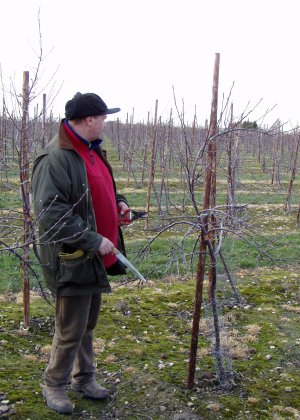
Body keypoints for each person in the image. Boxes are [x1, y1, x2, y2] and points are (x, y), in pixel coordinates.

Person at [31, 92, 129, 414]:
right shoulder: (56, 158)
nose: (105, 123)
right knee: (71, 328)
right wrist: (92, 239)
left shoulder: (91, 151)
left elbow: (102, 189)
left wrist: (119, 204)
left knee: (86, 324)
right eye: (103, 117)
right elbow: (51, 215)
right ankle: (54, 385)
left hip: (95, 257)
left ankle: (84, 379)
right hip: (74, 258)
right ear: (89, 119)